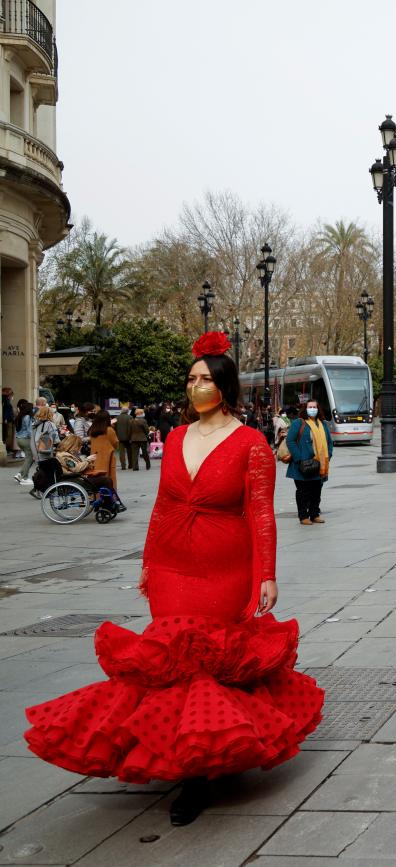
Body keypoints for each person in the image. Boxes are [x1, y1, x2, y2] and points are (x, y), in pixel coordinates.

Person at [24, 331, 323, 826]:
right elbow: (162, 506)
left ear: (225, 385)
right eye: (191, 379)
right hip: (170, 569)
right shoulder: (179, 437)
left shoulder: (251, 444)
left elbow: (262, 516)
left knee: (208, 663)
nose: (196, 386)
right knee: (172, 664)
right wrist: (147, 562)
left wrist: (266, 574)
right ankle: (192, 755)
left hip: (225, 570)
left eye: (205, 379)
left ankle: (202, 769)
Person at [286, 399, 334, 526]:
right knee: (303, 491)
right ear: (305, 409)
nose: (312, 409)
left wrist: (328, 455)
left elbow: (329, 441)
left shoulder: (322, 424)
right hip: (302, 465)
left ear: (318, 409)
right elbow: (290, 441)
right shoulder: (299, 423)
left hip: (319, 464)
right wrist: (299, 458)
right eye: (310, 407)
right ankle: (303, 516)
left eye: (314, 407)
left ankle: (314, 514)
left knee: (316, 490)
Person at [85, 409, 121, 505]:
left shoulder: (92, 430)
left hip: (95, 458)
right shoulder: (109, 430)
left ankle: (96, 498)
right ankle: (109, 499)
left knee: (97, 478)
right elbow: (116, 443)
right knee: (109, 479)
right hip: (107, 458)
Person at [12, 399, 34, 484]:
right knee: (30, 458)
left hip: (19, 439)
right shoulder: (28, 417)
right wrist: (34, 440)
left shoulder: (20, 416)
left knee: (29, 458)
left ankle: (20, 474)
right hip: (25, 439)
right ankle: (24, 477)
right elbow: (29, 431)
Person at [114, 404, 133, 471]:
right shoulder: (130, 417)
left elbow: (114, 427)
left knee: (121, 452)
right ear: (127, 411)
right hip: (128, 437)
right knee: (130, 451)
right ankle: (130, 465)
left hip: (120, 437)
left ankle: (123, 466)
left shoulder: (117, 418)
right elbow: (131, 428)